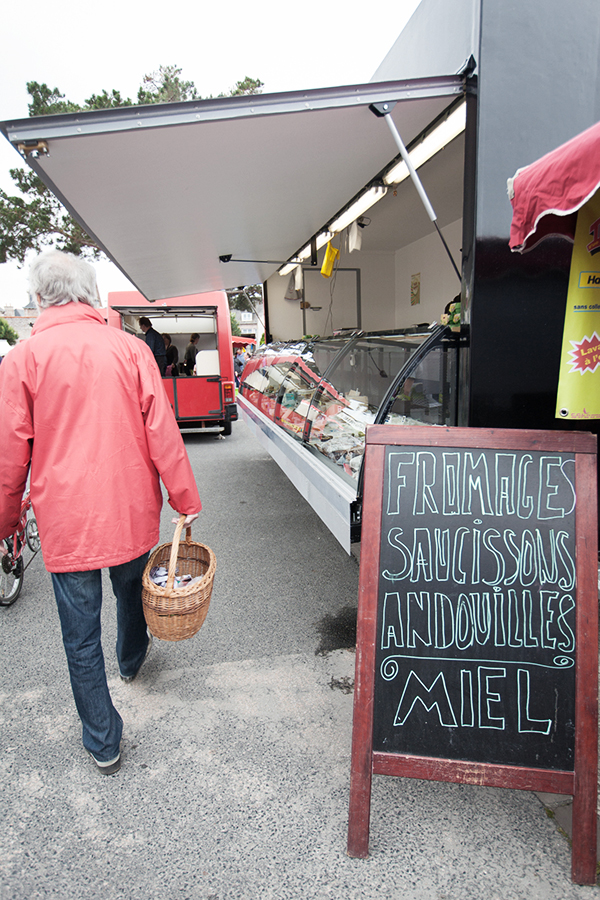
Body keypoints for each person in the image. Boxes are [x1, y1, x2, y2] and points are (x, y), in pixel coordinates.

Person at [0, 251, 201, 776]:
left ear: (41, 298)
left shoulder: (22, 360)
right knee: (132, 590)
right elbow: (163, 431)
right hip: (130, 511)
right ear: (90, 295)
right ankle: (132, 659)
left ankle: (103, 739)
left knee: (79, 633)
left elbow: (8, 456)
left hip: (67, 523)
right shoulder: (131, 350)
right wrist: (185, 498)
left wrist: (4, 521)